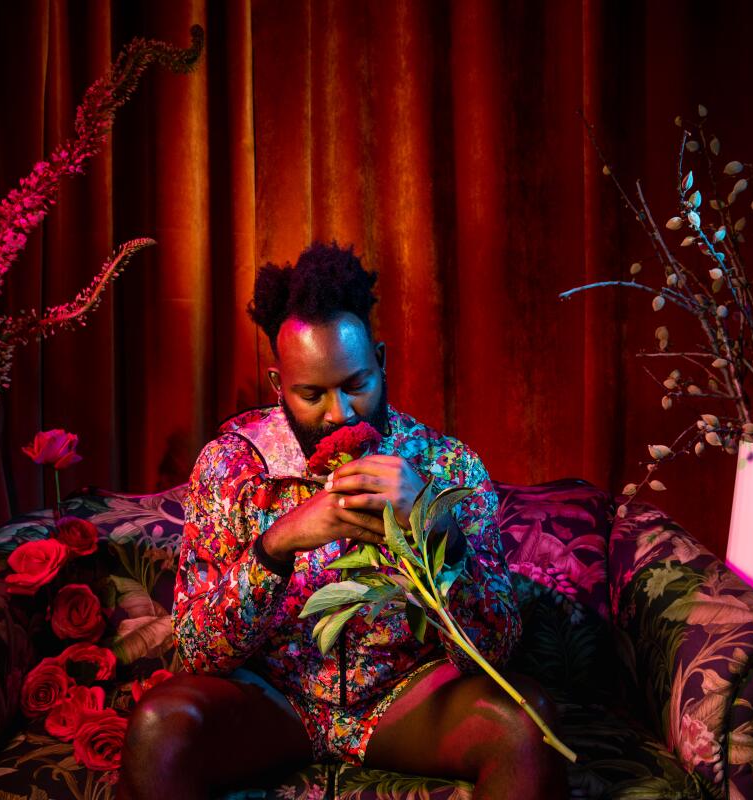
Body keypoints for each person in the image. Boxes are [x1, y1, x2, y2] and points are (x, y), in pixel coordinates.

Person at [119, 242, 566, 799]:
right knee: (159, 726)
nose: (340, 413)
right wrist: (278, 544)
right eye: (312, 394)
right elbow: (198, 650)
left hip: (406, 699)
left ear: (381, 361)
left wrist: (436, 530)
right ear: (279, 385)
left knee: (527, 727)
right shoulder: (231, 464)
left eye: (357, 384)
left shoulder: (447, 464)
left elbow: (497, 649)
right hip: (274, 700)